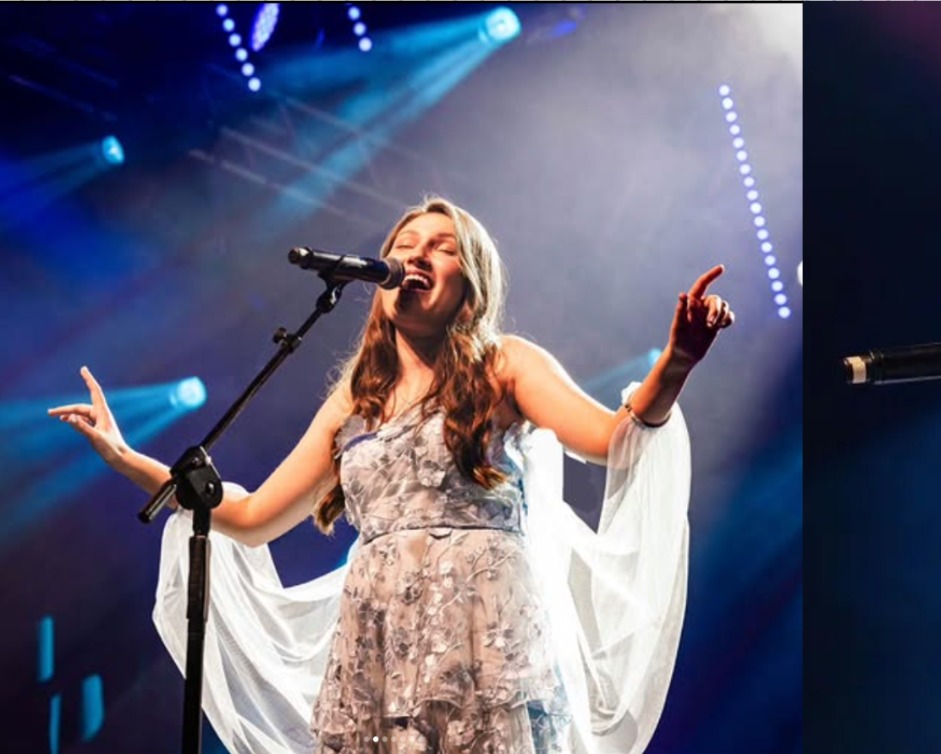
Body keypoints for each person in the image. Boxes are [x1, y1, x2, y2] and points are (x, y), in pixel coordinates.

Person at [48, 196, 734, 753]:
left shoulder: (505, 364)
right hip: (379, 642)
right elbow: (253, 519)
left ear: (471, 283)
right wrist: (126, 456)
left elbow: (613, 442)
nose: (414, 255)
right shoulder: (357, 399)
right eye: (405, 244)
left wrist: (676, 361)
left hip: (481, 639)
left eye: (440, 247)